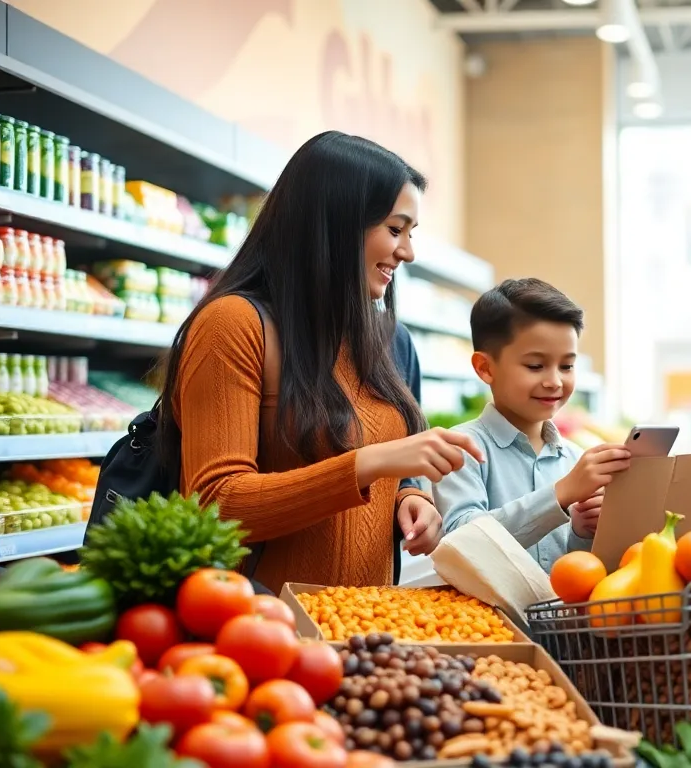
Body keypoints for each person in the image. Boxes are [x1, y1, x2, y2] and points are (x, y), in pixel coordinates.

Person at [160, 131, 483, 592]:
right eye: (394, 230)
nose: (407, 252)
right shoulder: (233, 324)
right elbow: (216, 503)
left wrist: (412, 496)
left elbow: (399, 456)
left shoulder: (393, 342)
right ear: (335, 224)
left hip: (367, 629)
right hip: (262, 630)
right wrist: (365, 464)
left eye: (411, 234)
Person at [433, 278, 632, 572]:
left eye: (566, 366)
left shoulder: (575, 459)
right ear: (485, 368)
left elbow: (569, 573)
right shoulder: (460, 449)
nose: (554, 381)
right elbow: (464, 543)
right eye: (535, 366)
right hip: (484, 618)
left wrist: (583, 532)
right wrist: (560, 494)